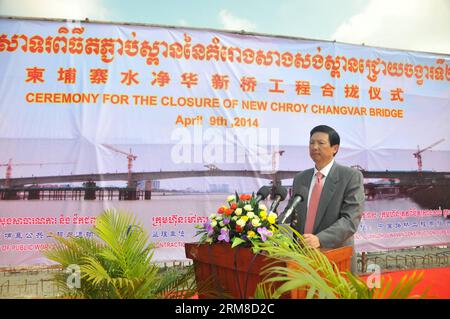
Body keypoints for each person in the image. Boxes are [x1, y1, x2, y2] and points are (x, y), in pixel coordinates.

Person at [287, 125, 365, 273]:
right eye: (311, 143)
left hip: (335, 258)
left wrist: (320, 239)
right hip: (301, 258)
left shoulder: (350, 176)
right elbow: (291, 214)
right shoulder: (300, 178)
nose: (314, 147)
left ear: (334, 148)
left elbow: (350, 220)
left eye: (320, 143)